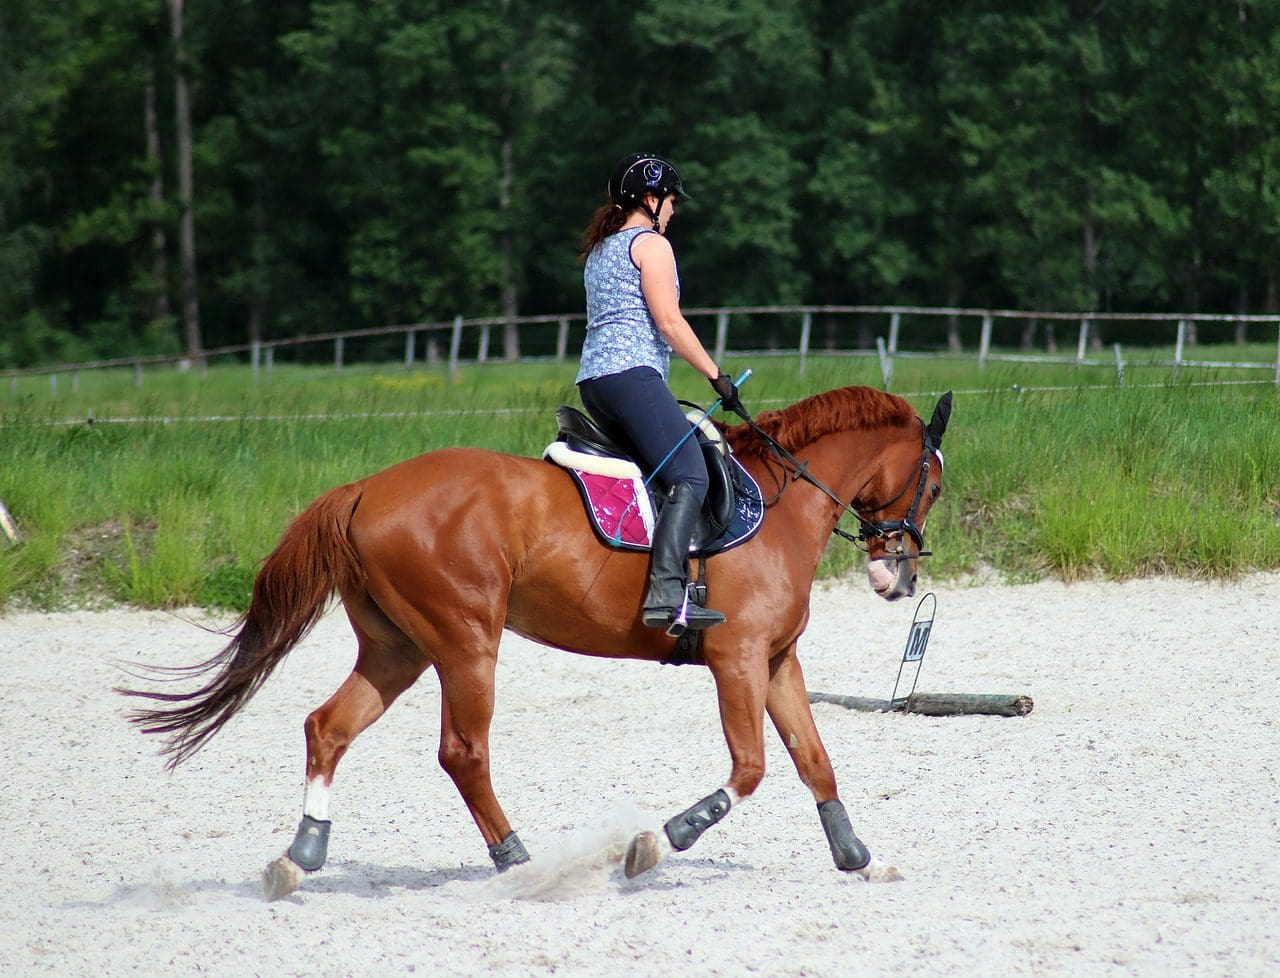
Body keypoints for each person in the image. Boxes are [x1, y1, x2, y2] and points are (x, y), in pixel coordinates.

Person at [576, 152, 747, 636]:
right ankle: (668, 592)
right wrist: (717, 376)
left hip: (594, 383)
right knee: (691, 473)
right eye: (671, 200)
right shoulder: (651, 245)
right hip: (633, 378)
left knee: (654, 474)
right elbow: (669, 321)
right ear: (650, 200)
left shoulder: (602, 248)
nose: (673, 210)